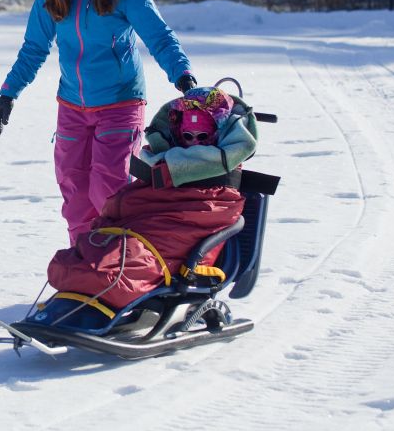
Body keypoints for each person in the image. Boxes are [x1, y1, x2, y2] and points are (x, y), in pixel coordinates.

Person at [0, 0, 198, 245]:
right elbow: (34, 47)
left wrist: (182, 75)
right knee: (75, 194)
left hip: (121, 101)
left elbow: (159, 36)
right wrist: (8, 94)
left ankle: (118, 266)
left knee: (109, 190)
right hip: (72, 105)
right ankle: (84, 270)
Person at [46, 86, 258, 311]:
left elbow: (192, 220)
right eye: (187, 135)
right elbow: (126, 207)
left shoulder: (219, 192)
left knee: (106, 273)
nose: (194, 142)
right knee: (77, 262)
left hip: (167, 244)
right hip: (137, 236)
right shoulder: (158, 165)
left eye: (203, 136)